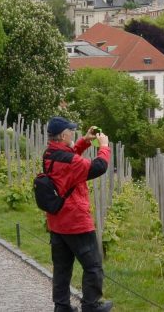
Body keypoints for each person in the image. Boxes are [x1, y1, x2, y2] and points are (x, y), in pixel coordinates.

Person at [43, 117, 112, 312]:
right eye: (71, 131)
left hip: (57, 221)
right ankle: (91, 306)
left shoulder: (49, 154)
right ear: (64, 135)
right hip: (75, 221)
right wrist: (104, 146)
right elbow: (98, 167)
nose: (73, 133)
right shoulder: (71, 161)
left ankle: (62, 307)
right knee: (93, 266)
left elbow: (69, 157)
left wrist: (85, 140)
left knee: (62, 268)